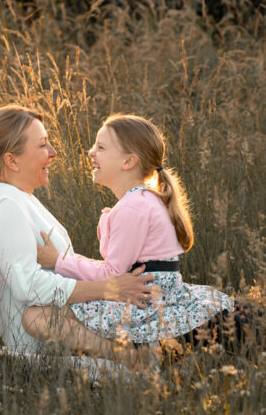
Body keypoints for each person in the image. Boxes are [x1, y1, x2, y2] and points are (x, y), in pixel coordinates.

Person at [0, 105, 157, 358]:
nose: (53, 153)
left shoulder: (20, 199)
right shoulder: (4, 204)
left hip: (72, 338)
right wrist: (108, 288)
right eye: (42, 145)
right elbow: (27, 285)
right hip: (46, 352)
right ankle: (127, 356)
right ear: (12, 160)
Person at [35, 113, 233, 344]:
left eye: (100, 147)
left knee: (40, 315)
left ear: (127, 162)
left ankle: (121, 360)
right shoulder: (145, 200)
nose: (91, 152)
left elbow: (113, 276)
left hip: (145, 303)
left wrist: (59, 262)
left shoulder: (132, 208)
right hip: (157, 295)